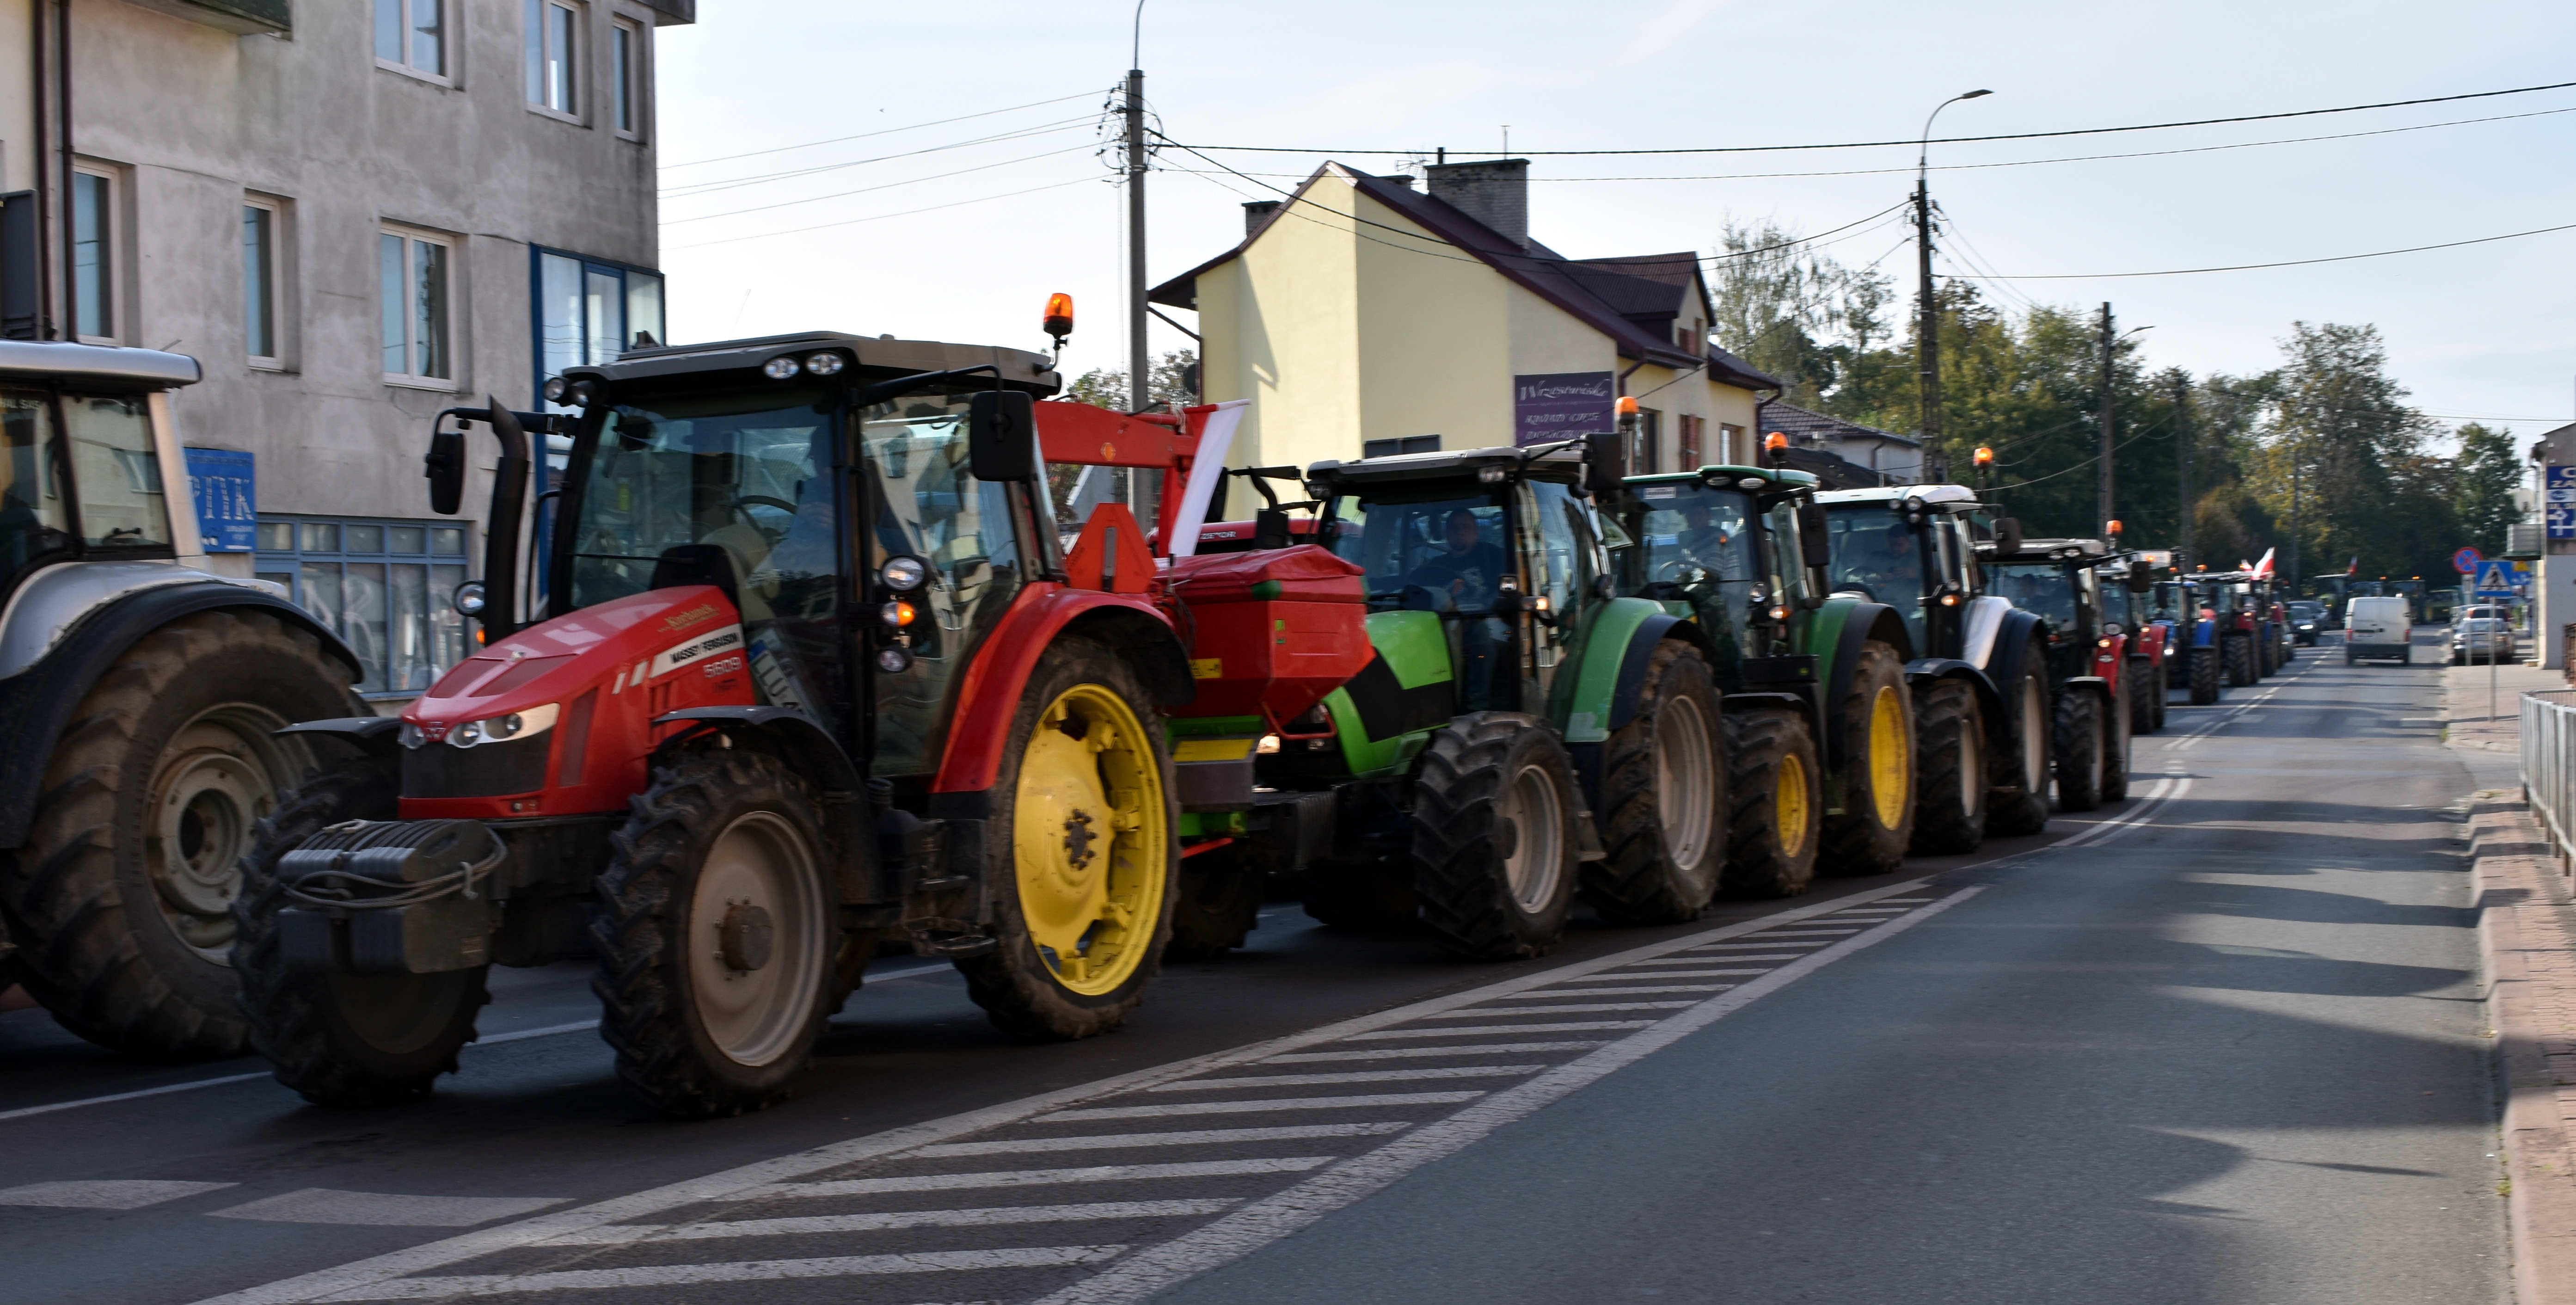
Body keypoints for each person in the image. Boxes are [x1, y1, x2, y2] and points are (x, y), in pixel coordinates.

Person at [1405, 507, 1509, 608]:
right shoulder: (1434, 567)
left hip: (1487, 617)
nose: (1460, 531)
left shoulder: (1493, 556)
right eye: (1454, 527)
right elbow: (1413, 587)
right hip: (1445, 619)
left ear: (1476, 533)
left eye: (1466, 527)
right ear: (1447, 533)